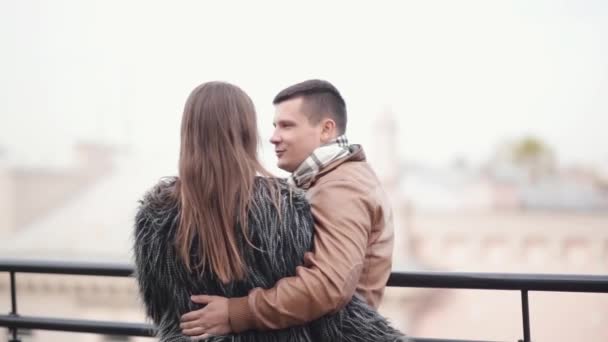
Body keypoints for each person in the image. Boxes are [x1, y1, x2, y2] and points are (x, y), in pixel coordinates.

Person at [133, 81, 404, 341]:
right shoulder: (284, 207)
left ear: (326, 129)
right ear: (246, 133)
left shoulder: (340, 187)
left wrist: (234, 312)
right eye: (273, 126)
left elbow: (327, 287)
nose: (273, 137)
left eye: (286, 126)